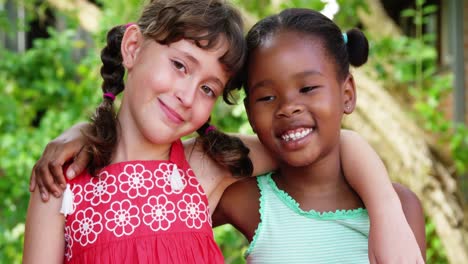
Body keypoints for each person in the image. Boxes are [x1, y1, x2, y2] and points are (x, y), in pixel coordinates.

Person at [25, 2, 424, 264]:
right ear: (132, 47)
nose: (185, 95)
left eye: (207, 89)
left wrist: (385, 205)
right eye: (180, 65)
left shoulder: (204, 166)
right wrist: (83, 134)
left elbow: (326, 142)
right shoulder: (62, 181)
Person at [213, 8, 426, 263]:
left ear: (347, 94)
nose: (288, 107)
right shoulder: (246, 199)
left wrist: (385, 208)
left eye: (308, 88)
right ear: (249, 113)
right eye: (267, 97)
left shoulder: (399, 208)